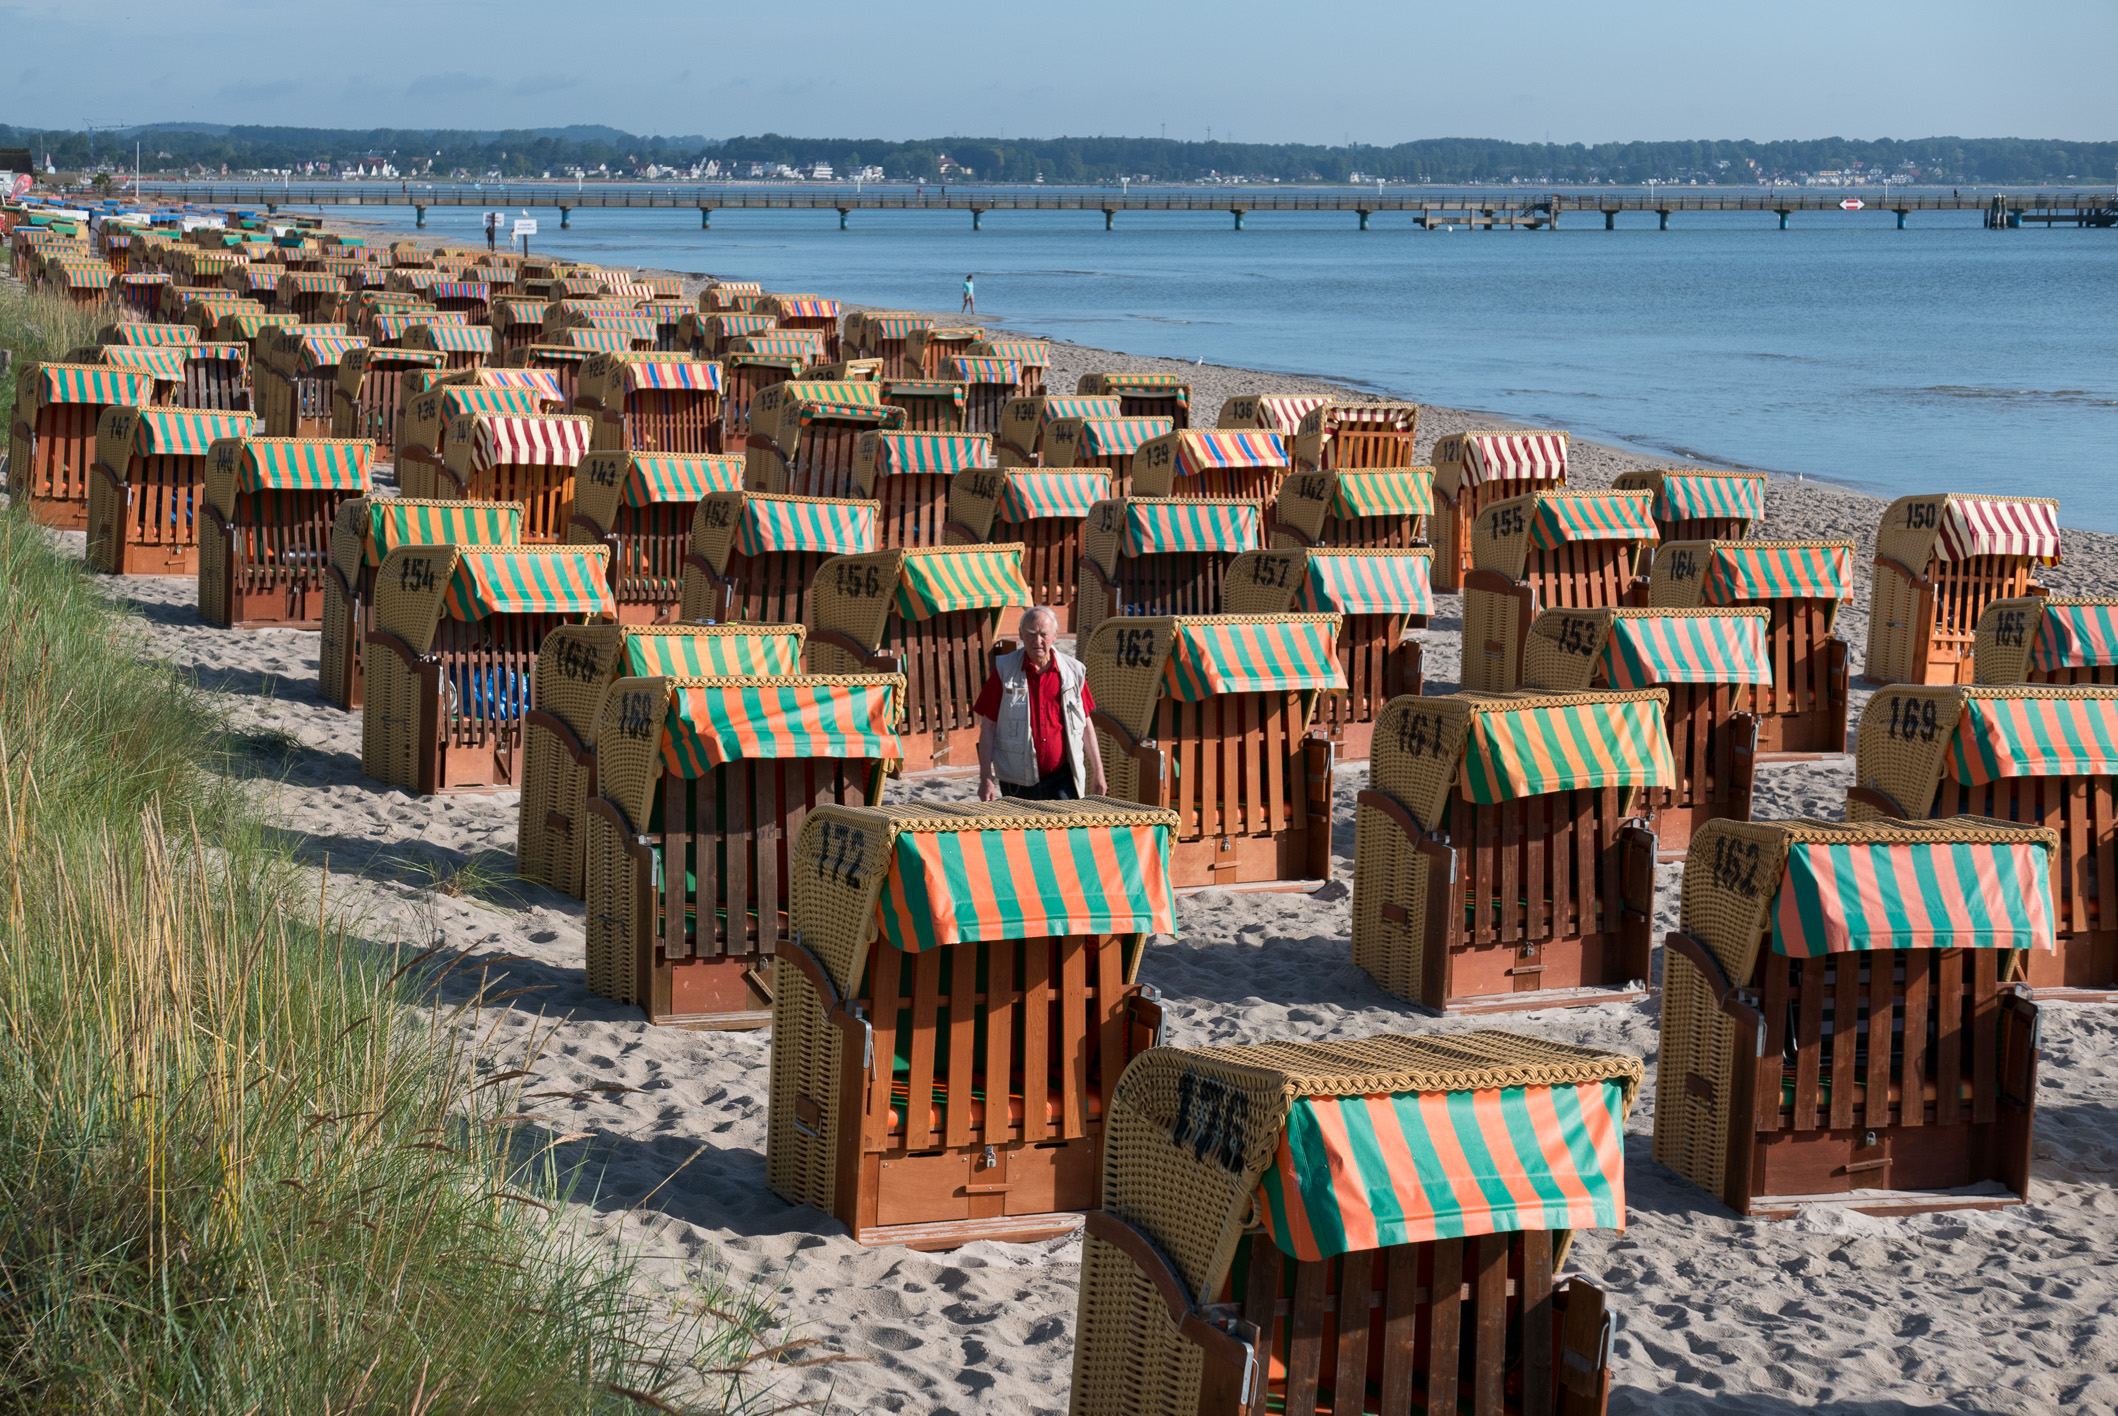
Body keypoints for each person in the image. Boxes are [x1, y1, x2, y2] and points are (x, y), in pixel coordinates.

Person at [973, 606, 1106, 801]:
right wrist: (986, 778)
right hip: (1018, 782)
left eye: (1043, 634)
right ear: (1020, 635)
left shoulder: (1073, 672)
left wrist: (1098, 772)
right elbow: (988, 726)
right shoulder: (1005, 670)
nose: (1038, 641)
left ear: (1055, 635)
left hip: (1062, 779)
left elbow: (1086, 725)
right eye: (1031, 634)